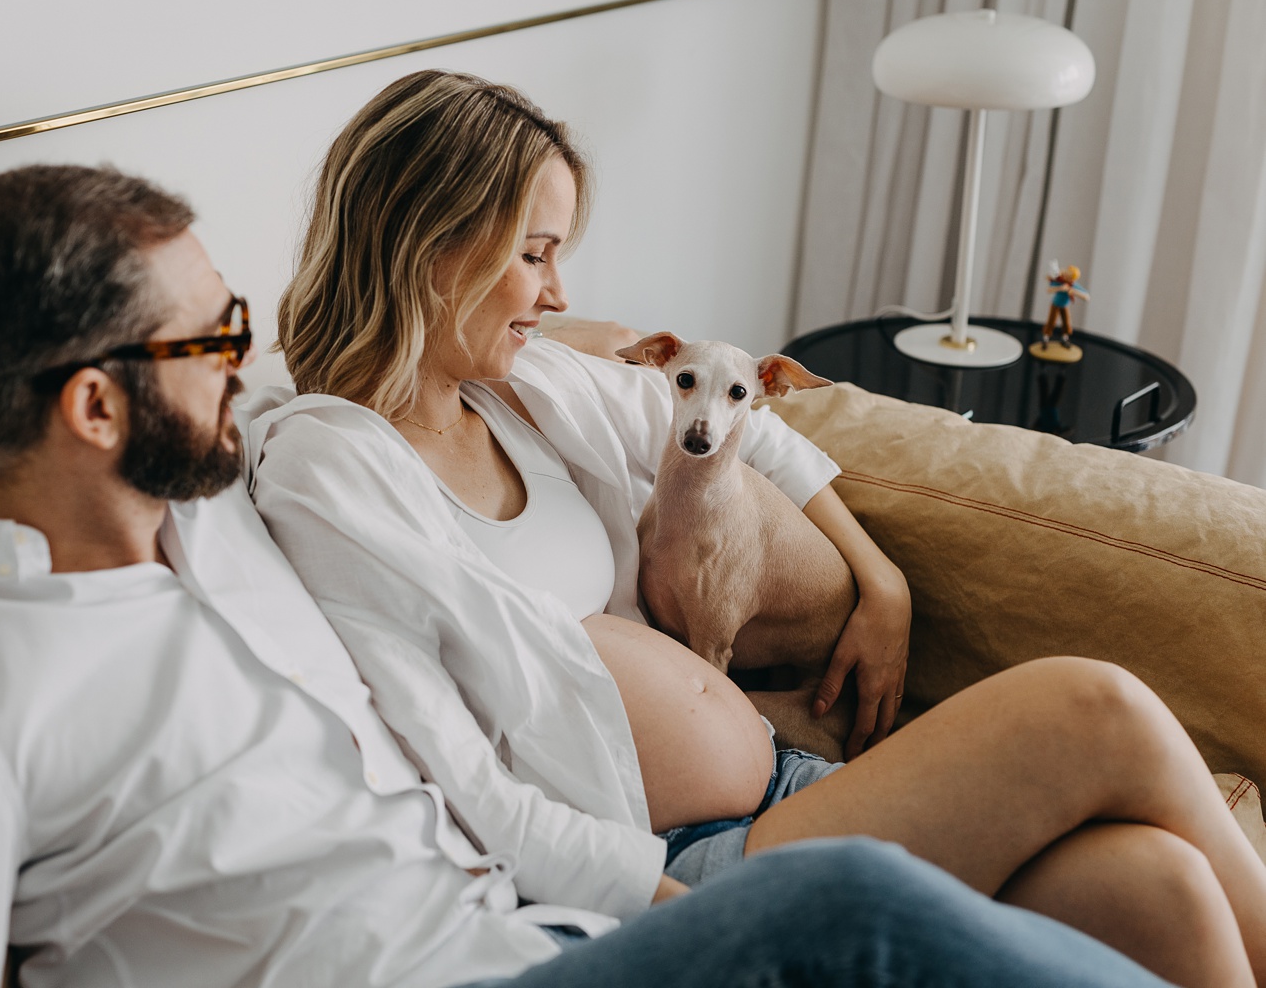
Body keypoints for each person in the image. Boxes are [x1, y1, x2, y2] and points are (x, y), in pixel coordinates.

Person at [0, 163, 1178, 988]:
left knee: (1139, 891)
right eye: (211, 345)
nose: (246, 365)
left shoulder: (232, 509)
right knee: (848, 905)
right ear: (90, 408)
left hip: (532, 937)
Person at [248, 69, 1266, 988]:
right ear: (432, 244)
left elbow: (748, 429)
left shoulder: (524, 389)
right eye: (535, 254)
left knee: (1159, 883)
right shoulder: (330, 466)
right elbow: (465, 783)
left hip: (785, 785)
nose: (558, 296)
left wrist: (882, 579)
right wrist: (710, 927)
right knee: (1092, 708)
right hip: (677, 862)